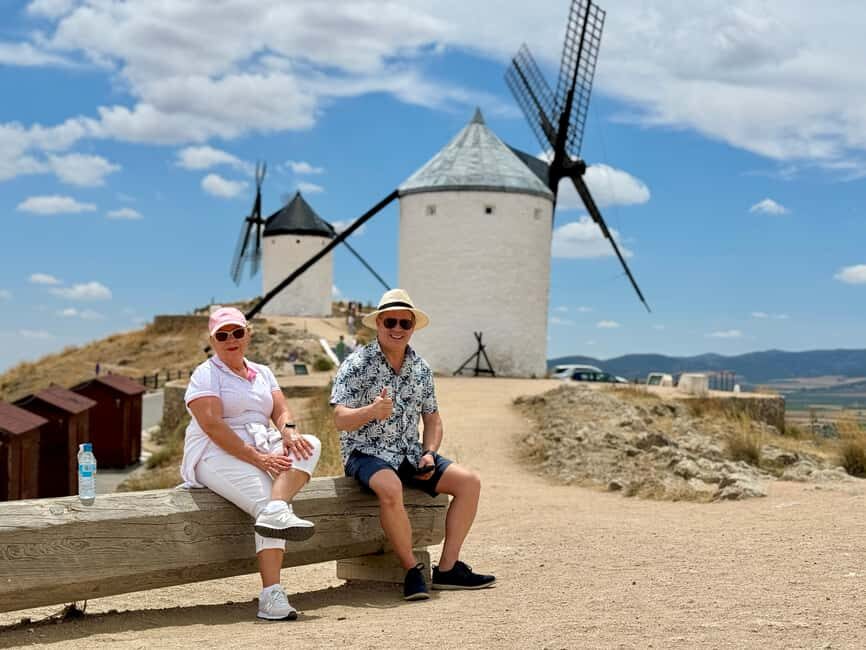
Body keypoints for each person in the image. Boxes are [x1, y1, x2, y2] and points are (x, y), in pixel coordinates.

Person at [330, 289, 495, 601]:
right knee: (390, 488)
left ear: (412, 327)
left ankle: (447, 569)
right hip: (365, 453)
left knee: (469, 482)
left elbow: (433, 419)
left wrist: (430, 452)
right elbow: (339, 419)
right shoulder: (356, 364)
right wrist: (371, 412)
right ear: (378, 323)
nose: (397, 328)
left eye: (404, 323)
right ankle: (411, 571)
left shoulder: (421, 368)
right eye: (390, 321)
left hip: (409, 453)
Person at [181, 307, 322, 621]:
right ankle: (271, 595)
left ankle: (277, 508)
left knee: (309, 445)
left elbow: (281, 409)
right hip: (214, 451)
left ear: (248, 333)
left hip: (261, 442)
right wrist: (259, 458)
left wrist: (288, 431)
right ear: (213, 340)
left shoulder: (262, 371)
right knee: (264, 504)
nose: (231, 340)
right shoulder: (206, 374)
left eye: (237, 332)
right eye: (223, 335)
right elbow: (213, 425)